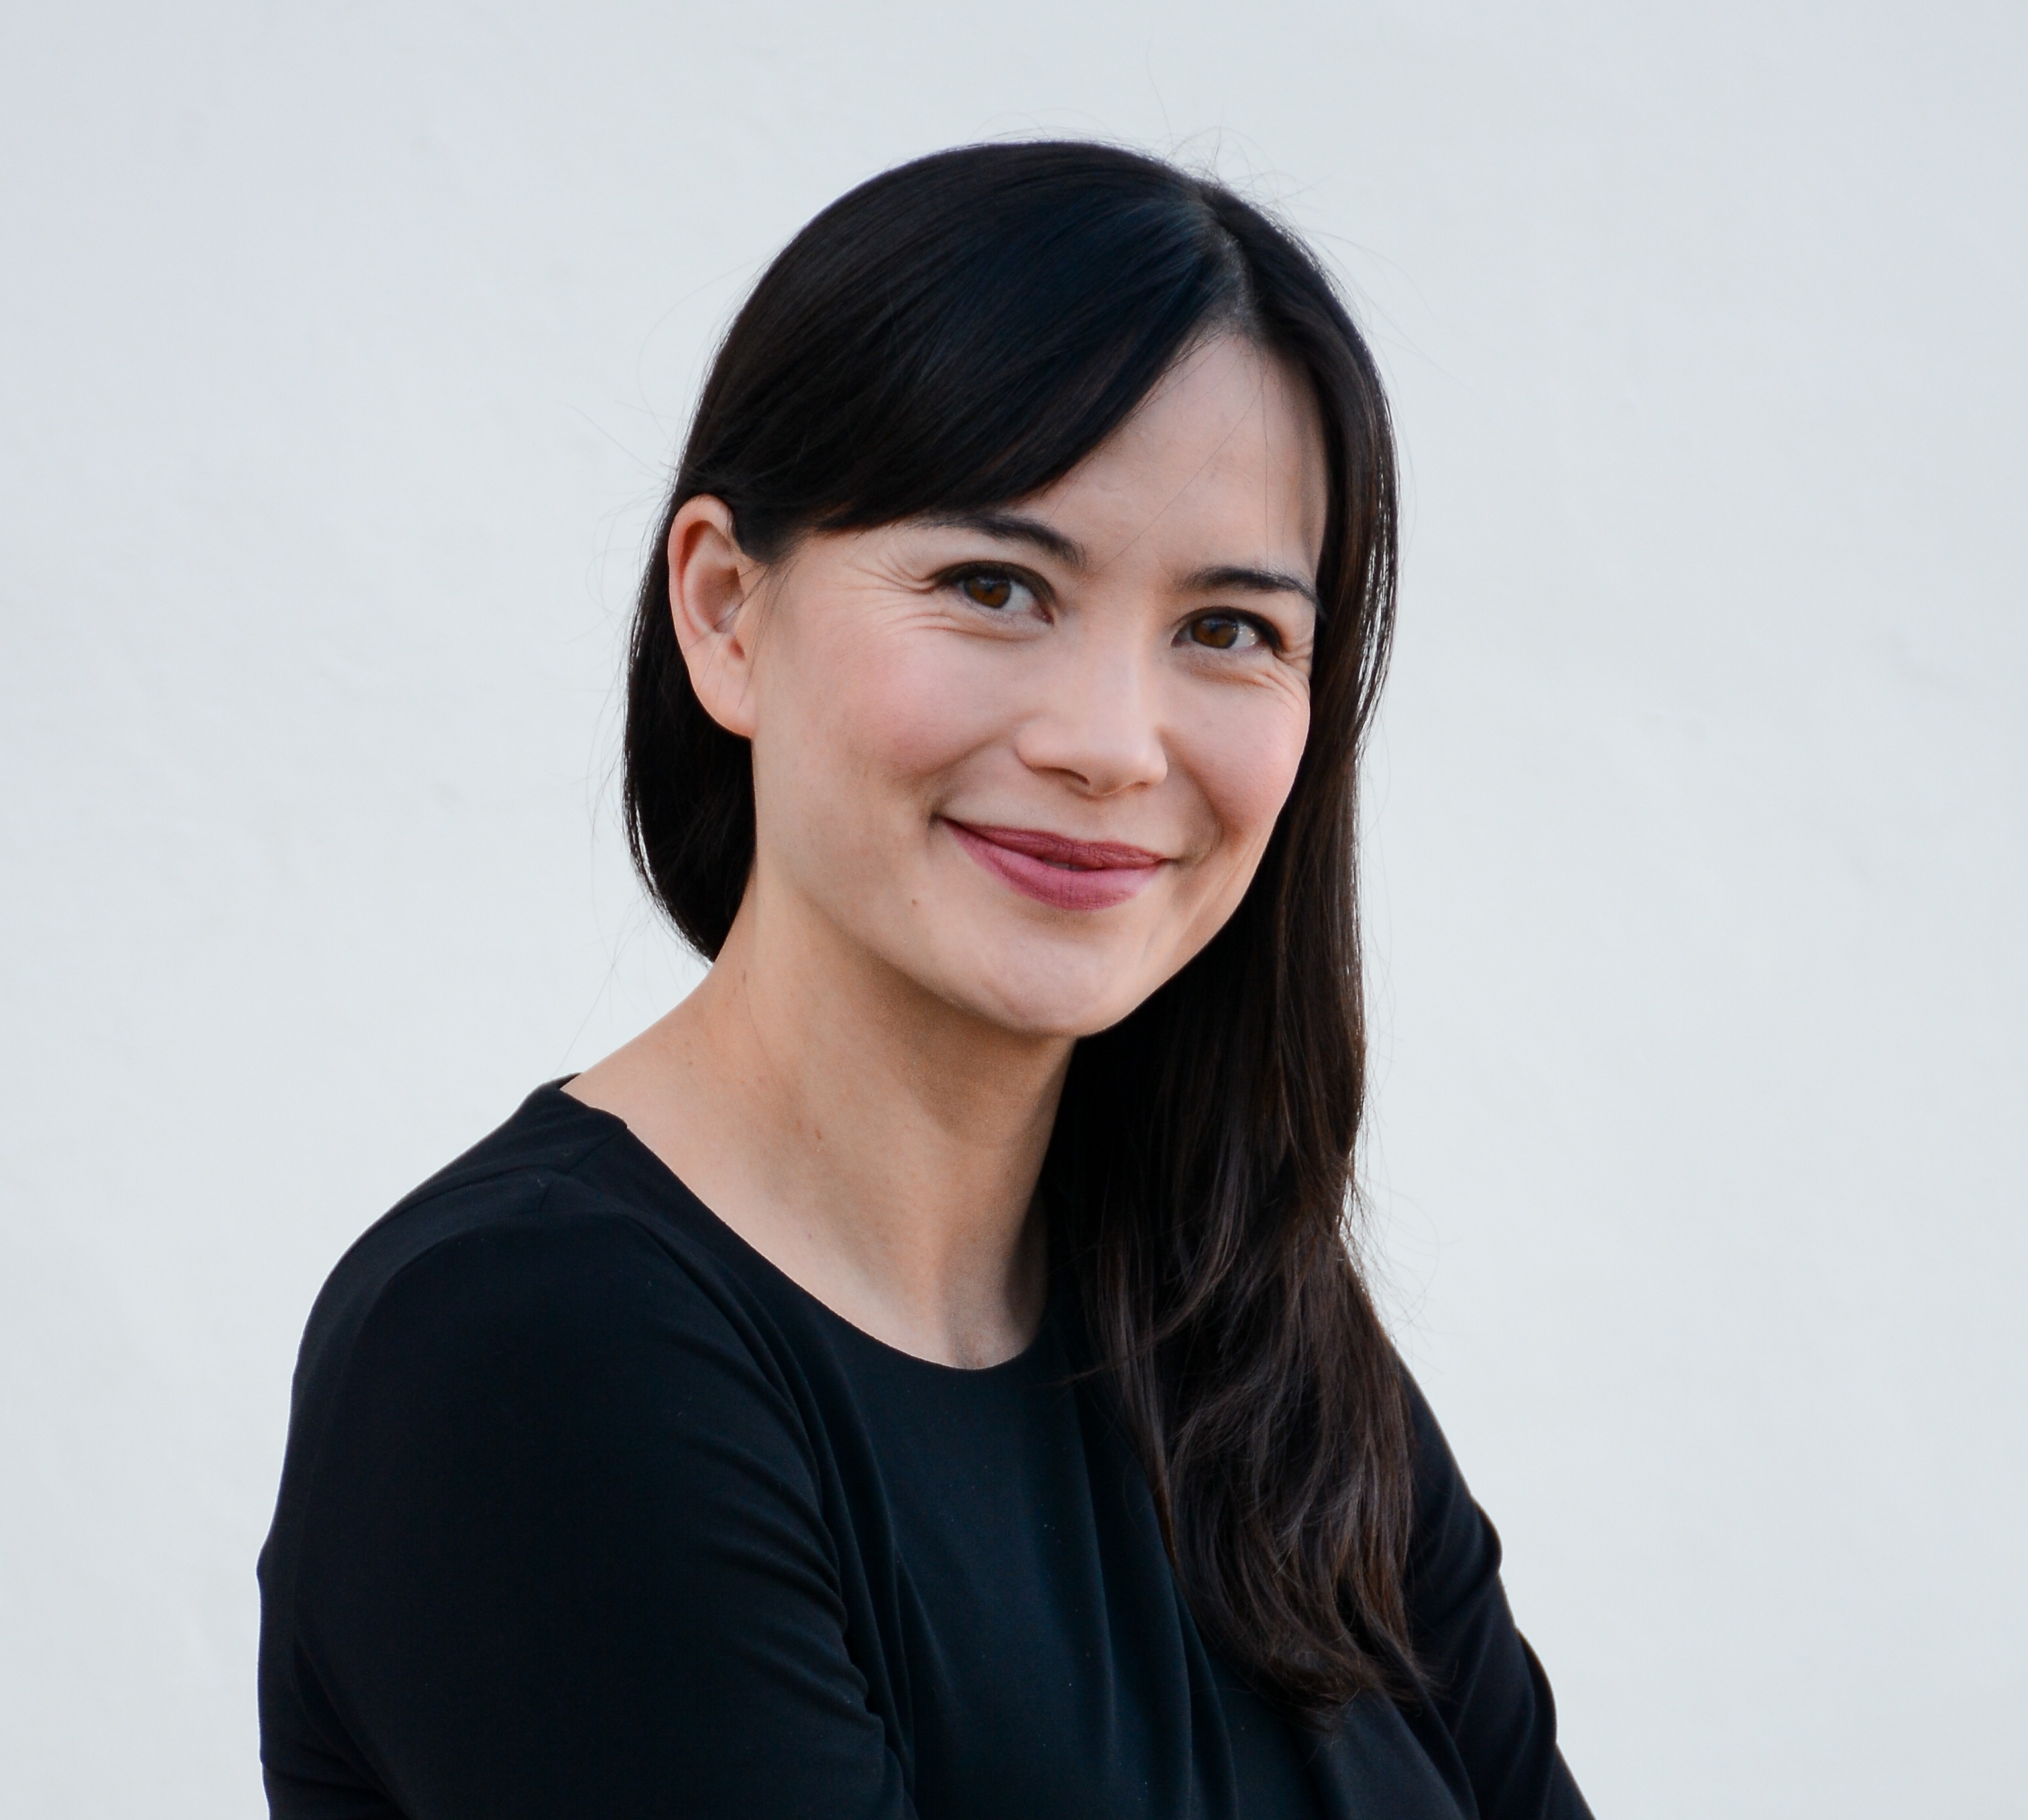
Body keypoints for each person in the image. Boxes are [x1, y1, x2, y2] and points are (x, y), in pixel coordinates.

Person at [257, 140, 1592, 1819]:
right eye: (993, 587)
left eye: (1229, 628)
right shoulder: (532, 1355)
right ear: (727, 611)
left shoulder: (1248, 1332)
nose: (1110, 745)